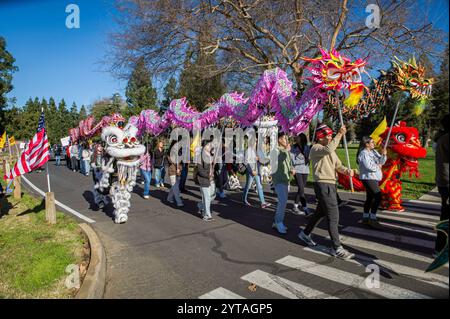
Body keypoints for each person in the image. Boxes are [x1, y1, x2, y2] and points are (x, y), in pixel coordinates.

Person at [298, 124, 356, 260]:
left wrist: (348, 171)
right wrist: (340, 134)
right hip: (323, 184)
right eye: (328, 135)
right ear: (320, 137)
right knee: (333, 216)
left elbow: (338, 166)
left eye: (331, 135)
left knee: (320, 213)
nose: (330, 137)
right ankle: (336, 248)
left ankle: (305, 234)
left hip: (331, 184)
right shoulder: (316, 148)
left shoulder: (330, 150)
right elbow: (329, 149)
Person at [357, 136, 387, 229]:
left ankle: (366, 218)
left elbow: (381, 162)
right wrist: (378, 166)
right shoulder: (363, 153)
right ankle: (372, 219)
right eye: (372, 142)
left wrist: (384, 155)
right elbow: (368, 167)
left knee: (370, 198)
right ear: (367, 144)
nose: (374, 144)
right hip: (368, 178)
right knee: (378, 197)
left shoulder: (373, 151)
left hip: (374, 177)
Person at [271, 131, 294, 234]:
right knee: (282, 202)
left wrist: (292, 169)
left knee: (283, 202)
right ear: (279, 140)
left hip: (286, 179)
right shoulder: (275, 150)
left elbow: (289, 162)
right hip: (279, 179)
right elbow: (276, 162)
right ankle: (279, 222)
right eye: (285, 139)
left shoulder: (286, 150)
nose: (287, 141)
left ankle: (277, 222)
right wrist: (286, 151)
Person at [434, 114, 449, 257]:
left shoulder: (442, 138)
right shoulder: (447, 138)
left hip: (444, 182)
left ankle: (440, 248)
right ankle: (441, 249)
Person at [242, 136, 271, 208]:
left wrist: (260, 159)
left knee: (259, 186)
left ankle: (263, 203)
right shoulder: (248, 150)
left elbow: (263, 160)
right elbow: (246, 162)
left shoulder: (259, 151)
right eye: (255, 141)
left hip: (257, 171)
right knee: (248, 186)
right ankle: (244, 199)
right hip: (250, 171)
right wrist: (252, 171)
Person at [290, 133, 312, 215]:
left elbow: (309, 157)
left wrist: (309, 156)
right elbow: (292, 160)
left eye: (298, 137)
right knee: (301, 189)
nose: (296, 138)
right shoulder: (293, 147)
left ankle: (295, 206)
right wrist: (292, 168)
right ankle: (305, 208)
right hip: (297, 170)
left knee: (301, 189)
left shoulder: (307, 147)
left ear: (302, 138)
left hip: (305, 170)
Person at [197, 140, 216, 221]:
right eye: (209, 145)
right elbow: (200, 170)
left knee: (213, 195)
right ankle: (207, 215)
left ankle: (201, 205)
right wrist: (207, 175)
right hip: (204, 179)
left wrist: (214, 162)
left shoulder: (211, 155)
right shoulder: (200, 156)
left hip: (211, 179)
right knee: (207, 197)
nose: (210, 146)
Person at [167, 141, 184, 207]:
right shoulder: (169, 153)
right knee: (176, 187)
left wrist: (179, 169)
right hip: (172, 171)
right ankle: (179, 201)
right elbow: (171, 161)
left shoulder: (180, 153)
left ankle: (169, 197)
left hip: (178, 171)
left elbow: (181, 163)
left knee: (174, 186)